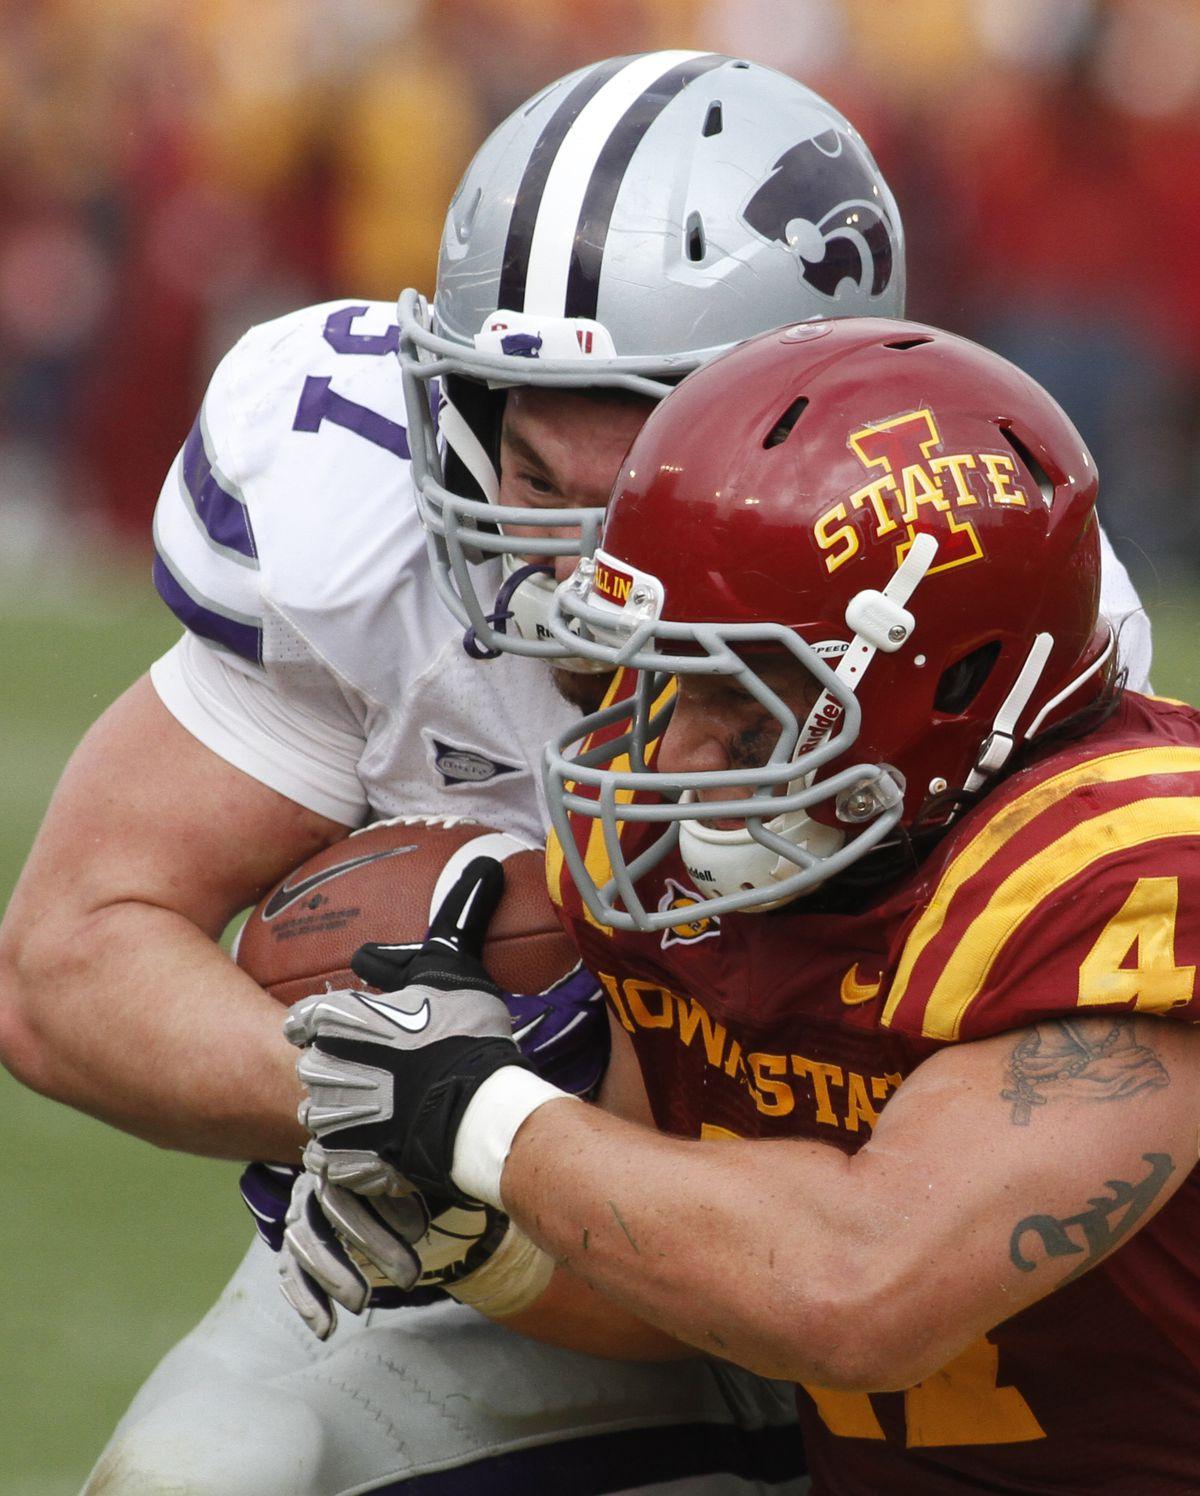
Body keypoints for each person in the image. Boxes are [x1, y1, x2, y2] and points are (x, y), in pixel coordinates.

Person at [0, 50, 936, 1496]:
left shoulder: (973, 598)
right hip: (474, 1244)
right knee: (209, 1472)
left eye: (620, 491)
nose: (554, 569)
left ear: (807, 427)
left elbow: (937, 1209)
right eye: (526, 467)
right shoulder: (367, 520)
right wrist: (408, 1104)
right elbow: (71, 960)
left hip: (889, 1262)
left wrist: (529, 1129)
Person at [283, 318, 1200, 1495]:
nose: (677, 751)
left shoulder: (1120, 866)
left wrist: (479, 1115)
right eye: (663, 674)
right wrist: (481, 1238)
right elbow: (703, 1290)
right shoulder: (690, 857)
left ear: (956, 679)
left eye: (742, 699)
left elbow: (856, 1290)